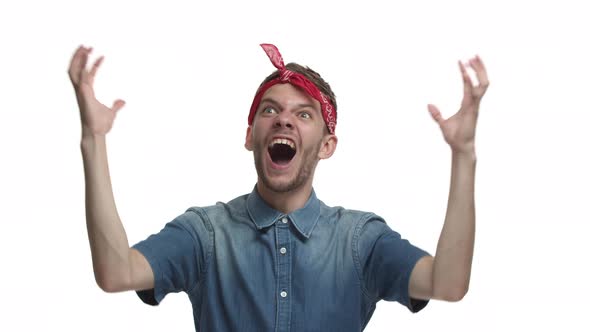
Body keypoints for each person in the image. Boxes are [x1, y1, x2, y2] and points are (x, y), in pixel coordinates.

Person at [68, 43, 488, 331]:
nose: (284, 120)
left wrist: (464, 154)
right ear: (251, 136)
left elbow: (448, 284)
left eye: (304, 115)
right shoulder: (205, 233)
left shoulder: (361, 240)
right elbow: (116, 273)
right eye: (271, 110)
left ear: (326, 146)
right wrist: (93, 139)